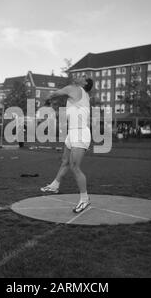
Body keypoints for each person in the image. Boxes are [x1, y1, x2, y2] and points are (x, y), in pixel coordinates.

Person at [40, 76, 93, 214]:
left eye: (83, 78)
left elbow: (55, 94)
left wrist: (47, 99)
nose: (79, 78)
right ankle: (55, 185)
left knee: (75, 167)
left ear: (85, 84)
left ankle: (85, 199)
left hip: (80, 133)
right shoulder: (83, 95)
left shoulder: (74, 89)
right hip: (72, 133)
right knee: (65, 161)